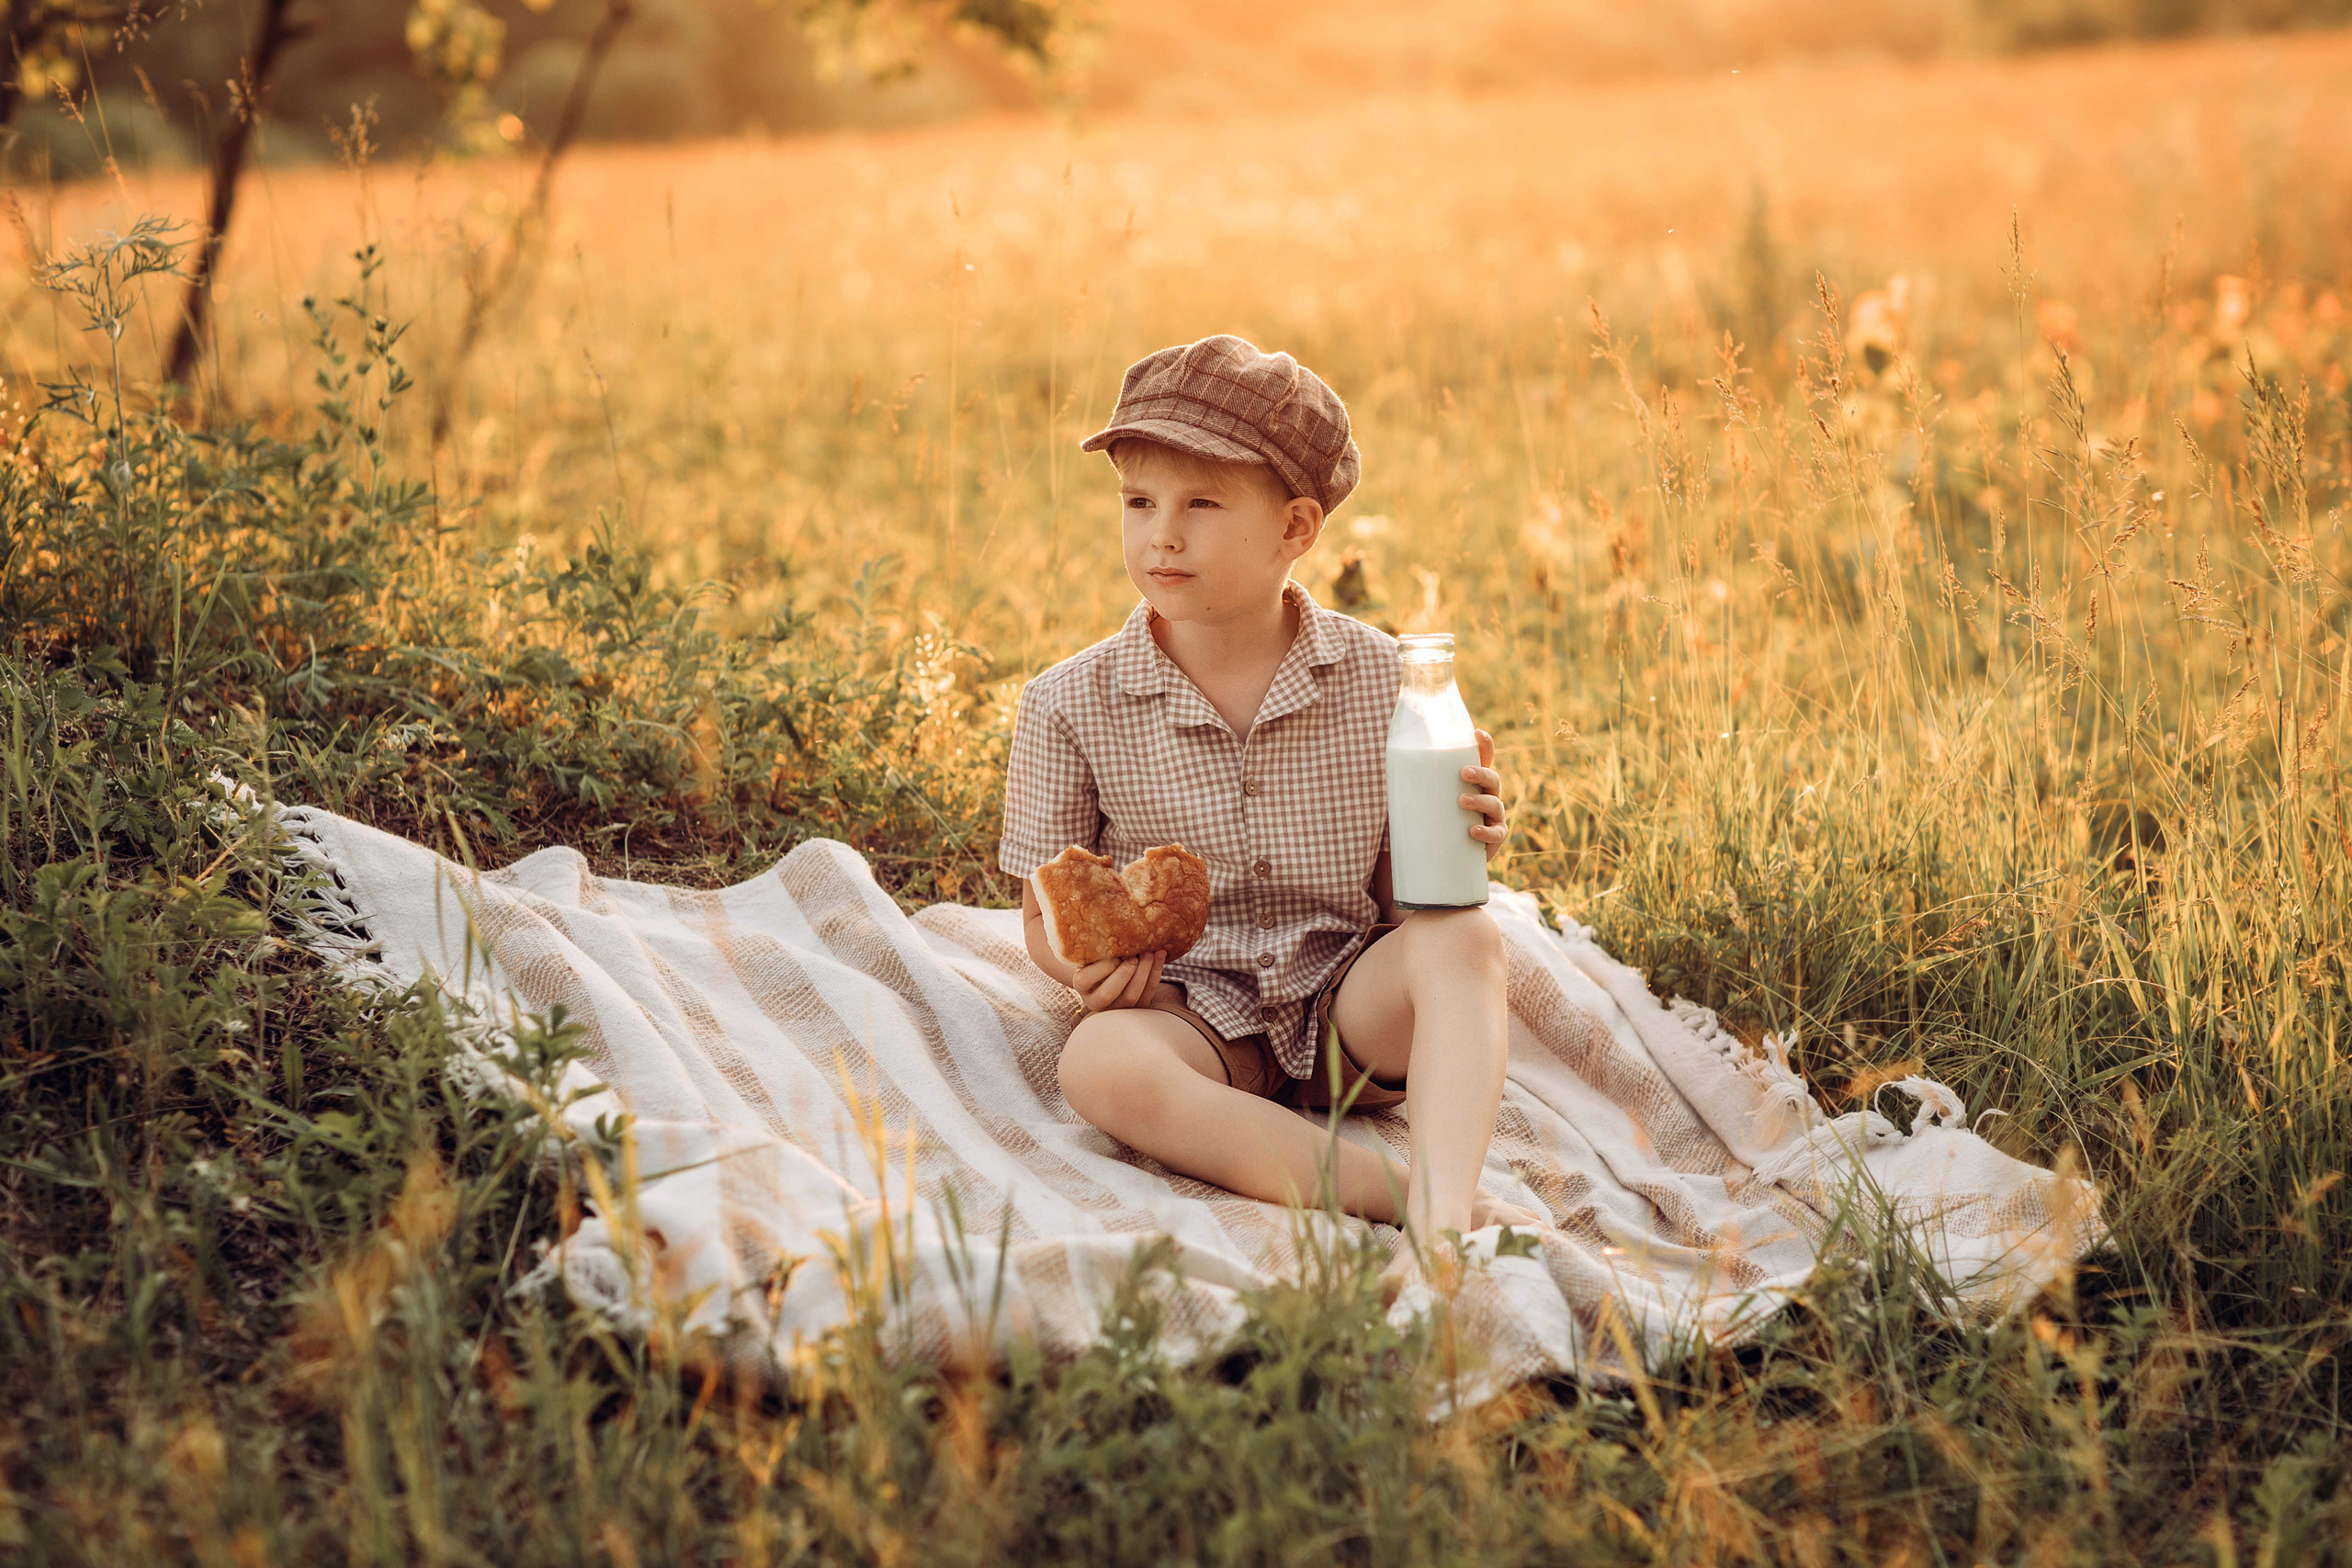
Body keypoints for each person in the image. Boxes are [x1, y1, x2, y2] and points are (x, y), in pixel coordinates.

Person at [998, 334, 1541, 1284]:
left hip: (1348, 1017)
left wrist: (1454, 843)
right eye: (1138, 503)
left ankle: (1449, 1199)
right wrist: (1085, 971)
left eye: (1201, 505)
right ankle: (1391, 1193)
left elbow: (1409, 913)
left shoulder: (1385, 682)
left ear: (1295, 528)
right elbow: (1046, 911)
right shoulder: (1066, 703)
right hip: (1192, 1015)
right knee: (1098, 1066)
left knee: (1468, 942)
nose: (1160, 534)